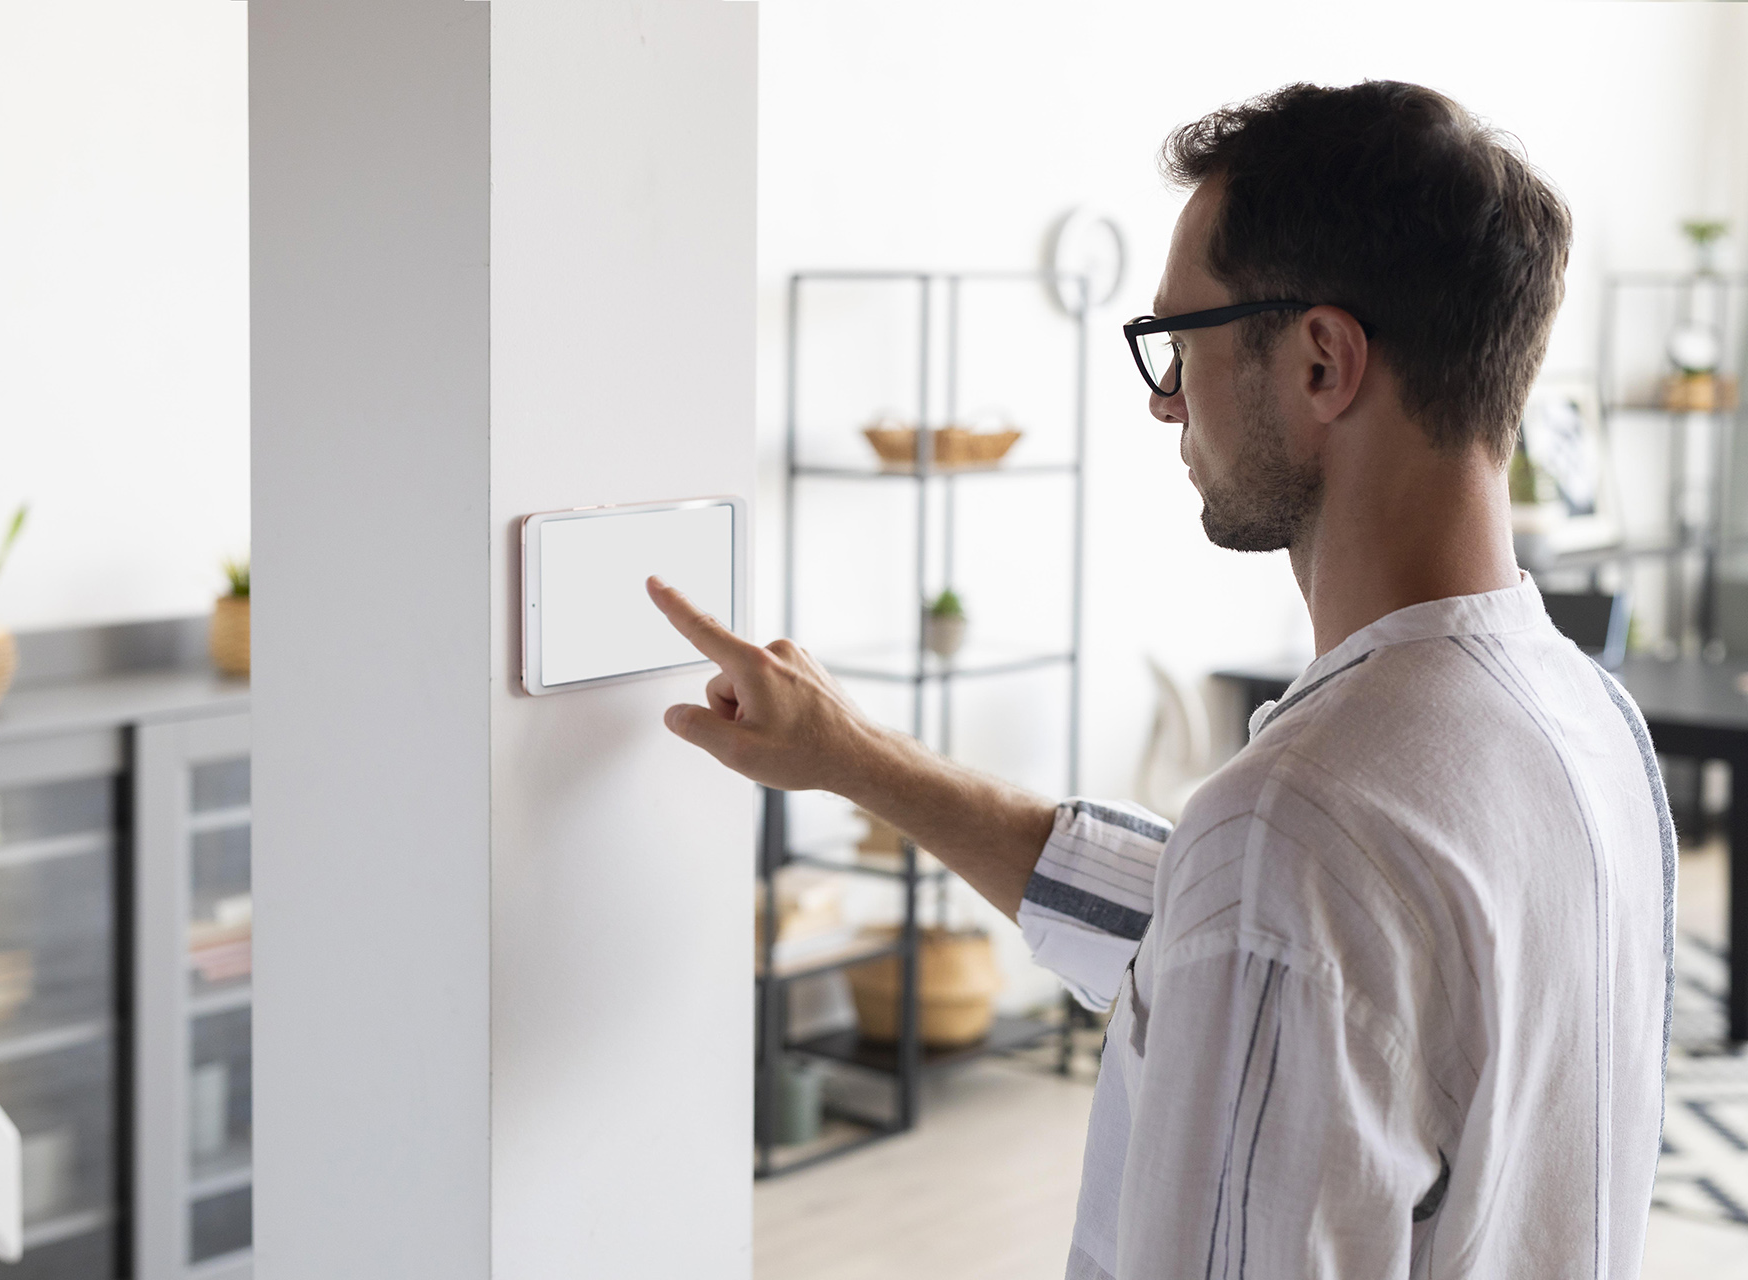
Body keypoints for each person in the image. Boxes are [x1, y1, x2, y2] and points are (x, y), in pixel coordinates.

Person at [649, 80, 1673, 1279]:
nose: (1162, 400)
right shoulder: (1589, 722)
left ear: (1323, 360)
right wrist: (851, 755)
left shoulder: (1297, 830)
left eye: (1180, 344)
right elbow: (1209, 928)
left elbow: (1262, 911)